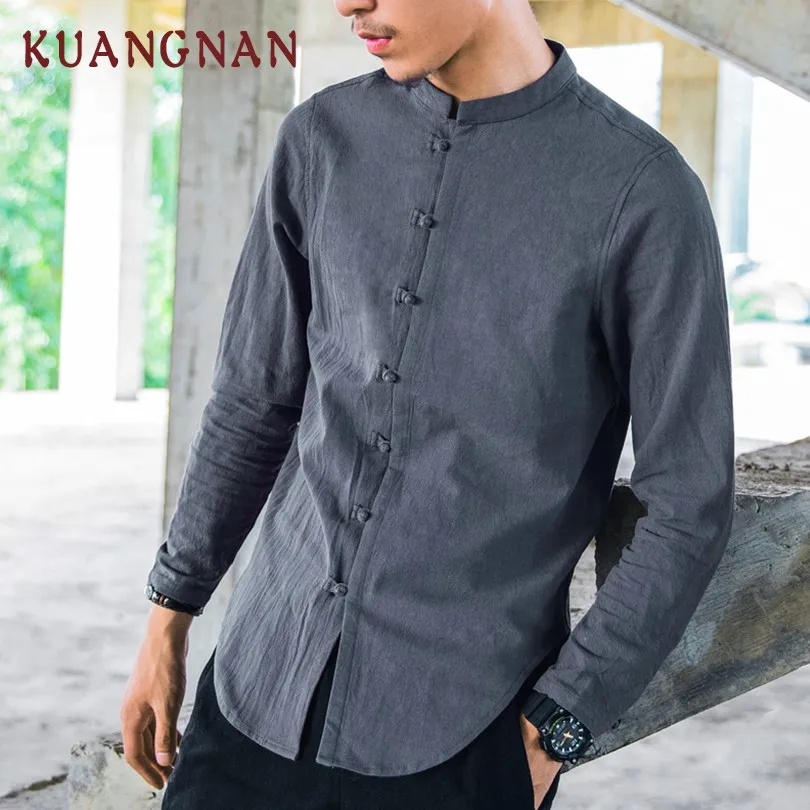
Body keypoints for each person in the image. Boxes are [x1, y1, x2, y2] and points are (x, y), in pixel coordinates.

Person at [120, 1, 736, 808]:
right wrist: (168, 617)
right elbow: (252, 399)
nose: (349, 3)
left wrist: (562, 724)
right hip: (255, 692)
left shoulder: (642, 192)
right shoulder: (319, 140)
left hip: (464, 737)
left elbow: (688, 501)